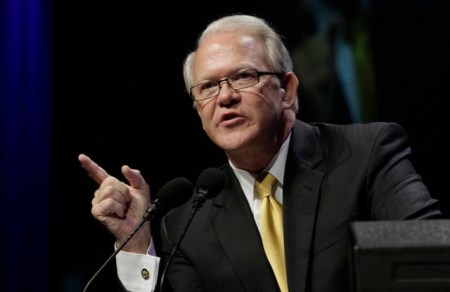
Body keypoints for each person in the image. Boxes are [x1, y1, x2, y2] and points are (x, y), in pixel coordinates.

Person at [78, 13, 443, 292]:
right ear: (198, 112)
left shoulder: (366, 154)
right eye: (207, 87)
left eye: (243, 76)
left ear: (287, 89)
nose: (224, 97)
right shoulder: (188, 222)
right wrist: (138, 244)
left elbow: (430, 260)